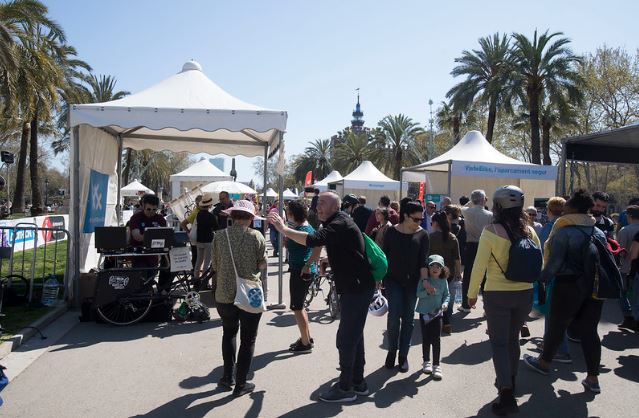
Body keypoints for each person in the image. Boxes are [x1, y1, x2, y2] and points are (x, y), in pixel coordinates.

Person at [268, 192, 375, 403]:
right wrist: (329, 260)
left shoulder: (339, 222)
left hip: (356, 288)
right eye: (317, 203)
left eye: (323, 203)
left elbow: (313, 240)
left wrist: (283, 229)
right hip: (356, 287)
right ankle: (358, 382)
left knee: (346, 339)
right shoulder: (337, 221)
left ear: (336, 206)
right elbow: (342, 248)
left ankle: (346, 388)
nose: (318, 207)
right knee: (354, 335)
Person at [524, 189, 607, 395]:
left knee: (556, 326)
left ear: (573, 207)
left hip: (567, 286)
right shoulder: (597, 232)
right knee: (590, 332)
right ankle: (593, 378)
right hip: (594, 289)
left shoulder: (563, 231)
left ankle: (544, 363)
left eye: (568, 203)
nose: (565, 205)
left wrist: (539, 279)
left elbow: (554, 265)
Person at [468, 185, 540, 416]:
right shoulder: (530, 231)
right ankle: (511, 380)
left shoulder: (491, 230)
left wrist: (471, 294)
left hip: (497, 294)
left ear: (498, 206)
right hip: (525, 293)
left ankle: (506, 393)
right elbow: (539, 261)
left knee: (499, 343)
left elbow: (479, 266)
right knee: (512, 340)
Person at [212, 199, 267, 397]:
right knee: (248, 339)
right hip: (249, 294)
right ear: (251, 218)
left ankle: (228, 377)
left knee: (228, 334)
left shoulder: (219, 236)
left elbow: (215, 265)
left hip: (224, 294)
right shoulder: (256, 236)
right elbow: (262, 263)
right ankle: (241, 384)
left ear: (232, 216)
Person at [382, 198, 430, 372]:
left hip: (412, 282)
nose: (419, 222)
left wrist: (425, 281)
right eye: (415, 219)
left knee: (408, 319)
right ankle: (392, 351)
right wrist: (378, 278)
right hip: (393, 280)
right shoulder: (391, 232)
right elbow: (384, 256)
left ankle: (403, 355)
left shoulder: (423, 235)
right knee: (394, 317)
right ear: (405, 216)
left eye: (421, 219)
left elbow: (423, 261)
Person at [535, 197, 572, 363]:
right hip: (570, 274)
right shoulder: (569, 226)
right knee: (559, 314)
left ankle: (560, 350)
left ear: (549, 210)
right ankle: (548, 343)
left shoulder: (550, 227)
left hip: (553, 275)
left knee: (553, 315)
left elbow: (542, 252)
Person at [286, 200, 322, 353]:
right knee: (300, 306)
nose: (287, 214)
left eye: (288, 212)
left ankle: (305, 343)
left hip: (301, 271)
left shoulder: (304, 229)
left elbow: (318, 247)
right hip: (302, 269)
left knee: (297, 307)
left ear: (292, 214)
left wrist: (307, 265)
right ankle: (306, 338)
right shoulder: (304, 227)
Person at [416, 255, 450, 380]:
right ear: (428, 268)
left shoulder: (443, 280)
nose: (435, 269)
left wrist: (445, 303)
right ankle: (426, 361)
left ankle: (436, 365)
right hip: (424, 313)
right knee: (426, 338)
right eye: (432, 266)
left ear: (442, 269)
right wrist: (427, 292)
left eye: (438, 266)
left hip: (437, 314)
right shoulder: (424, 280)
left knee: (436, 339)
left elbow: (447, 295)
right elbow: (418, 293)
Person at [460, 189, 493, 312]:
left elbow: (464, 206)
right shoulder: (490, 215)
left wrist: (473, 200)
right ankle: (487, 307)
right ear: (483, 199)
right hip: (486, 244)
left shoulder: (467, 211)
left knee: (468, 275)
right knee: (486, 276)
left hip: (471, 245)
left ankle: (465, 305)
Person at [429, 211, 461, 334]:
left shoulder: (430, 237)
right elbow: (457, 258)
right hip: (449, 272)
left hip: (434, 272)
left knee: (436, 296)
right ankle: (447, 319)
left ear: (435, 223)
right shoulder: (452, 237)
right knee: (448, 296)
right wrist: (458, 273)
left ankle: (438, 320)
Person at [616, 205, 639, 329]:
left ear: (629, 216)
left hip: (626, 268)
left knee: (622, 293)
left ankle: (629, 317)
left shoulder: (625, 230)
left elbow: (620, 251)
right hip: (635, 268)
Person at [193, 193, 218, 282]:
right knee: (206, 262)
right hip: (208, 241)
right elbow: (216, 227)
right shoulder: (211, 216)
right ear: (209, 205)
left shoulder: (198, 214)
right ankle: (204, 280)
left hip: (199, 240)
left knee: (199, 260)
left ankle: (196, 278)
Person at [180, 194, 202, 267]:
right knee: (196, 256)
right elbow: (183, 224)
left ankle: (196, 271)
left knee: (198, 256)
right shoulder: (195, 213)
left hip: (199, 237)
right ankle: (194, 271)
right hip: (196, 237)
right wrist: (189, 232)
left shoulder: (199, 211)